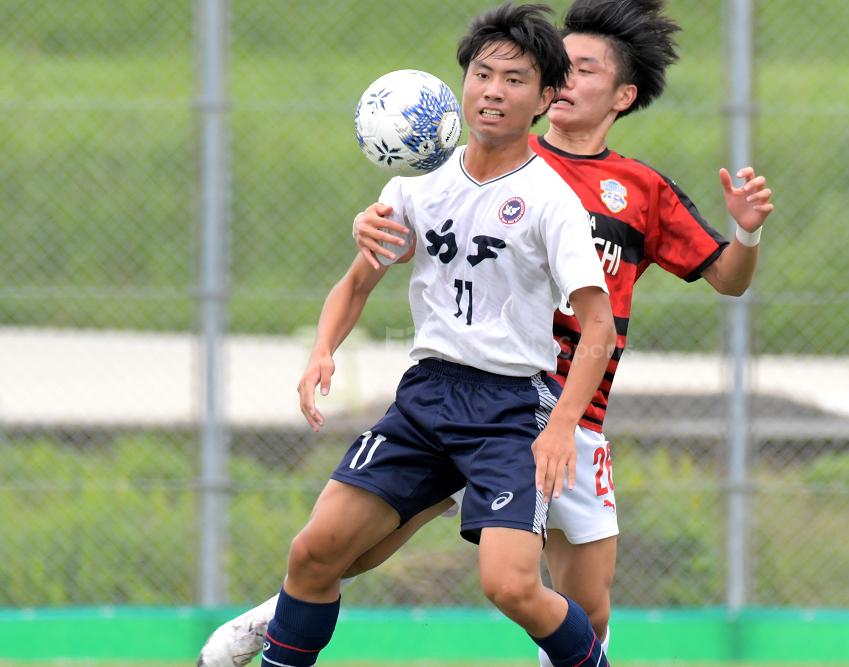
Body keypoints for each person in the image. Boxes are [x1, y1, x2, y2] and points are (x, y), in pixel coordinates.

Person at [198, 0, 774, 665]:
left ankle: (294, 605)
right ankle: (285, 611)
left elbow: (723, 279)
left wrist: (747, 231)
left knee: (572, 601)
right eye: (488, 73)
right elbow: (387, 247)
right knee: (343, 544)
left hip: (558, 410)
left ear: (616, 94)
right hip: (453, 390)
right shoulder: (447, 171)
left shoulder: (629, 191)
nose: (510, 86)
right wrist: (367, 238)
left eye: (581, 69)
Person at [228, 4, 618, 667]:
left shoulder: (551, 200)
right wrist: (323, 348)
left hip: (510, 410)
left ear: (546, 98)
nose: (493, 90)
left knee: (511, 584)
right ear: (462, 81)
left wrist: (561, 426)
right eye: (482, 73)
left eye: (516, 79)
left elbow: (599, 328)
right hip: (426, 397)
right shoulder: (418, 183)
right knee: (314, 553)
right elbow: (356, 284)